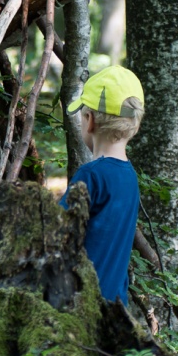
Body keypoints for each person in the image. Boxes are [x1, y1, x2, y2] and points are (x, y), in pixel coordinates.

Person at [61, 66, 144, 306]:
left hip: (83, 305)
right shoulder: (129, 177)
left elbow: (58, 231)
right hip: (116, 308)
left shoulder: (91, 176)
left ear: (90, 121)